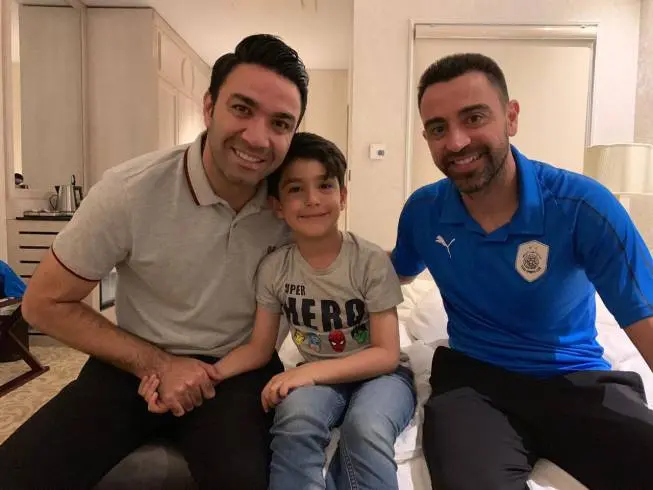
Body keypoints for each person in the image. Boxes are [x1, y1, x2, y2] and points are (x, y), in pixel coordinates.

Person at [0, 34, 308, 490]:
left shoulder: (295, 204)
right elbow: (43, 304)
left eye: (280, 123)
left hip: (238, 371)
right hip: (132, 364)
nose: (258, 138)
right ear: (209, 107)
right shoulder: (130, 190)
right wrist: (159, 365)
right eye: (242, 109)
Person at [391, 52, 653, 490]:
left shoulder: (583, 207)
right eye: (438, 128)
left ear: (511, 117)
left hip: (576, 379)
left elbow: (645, 319)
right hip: (475, 384)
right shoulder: (423, 211)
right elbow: (393, 272)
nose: (456, 142)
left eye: (474, 118)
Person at [142, 132, 416, 489]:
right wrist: (206, 375)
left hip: (383, 378)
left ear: (343, 196)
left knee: (366, 427)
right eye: (296, 189)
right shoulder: (275, 269)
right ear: (277, 205)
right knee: (294, 421)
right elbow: (259, 348)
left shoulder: (370, 261)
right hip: (319, 378)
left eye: (325, 186)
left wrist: (309, 373)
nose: (312, 199)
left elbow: (386, 353)